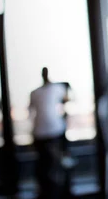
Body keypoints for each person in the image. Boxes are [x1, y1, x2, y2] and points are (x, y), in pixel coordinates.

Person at [29, 67, 68, 199]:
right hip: (54, 130)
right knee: (56, 160)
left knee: (42, 162)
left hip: (39, 131)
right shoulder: (57, 88)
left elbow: (31, 111)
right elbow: (67, 99)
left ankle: (45, 190)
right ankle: (59, 188)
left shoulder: (34, 92)